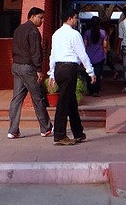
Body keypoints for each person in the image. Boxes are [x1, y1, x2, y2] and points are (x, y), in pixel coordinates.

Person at [49, 11, 96, 145]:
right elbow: (82, 53)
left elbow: (53, 55)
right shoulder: (74, 34)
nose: (76, 21)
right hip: (69, 68)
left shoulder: (56, 34)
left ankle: (78, 132)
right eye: (75, 18)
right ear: (69, 18)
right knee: (64, 103)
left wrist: (52, 73)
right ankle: (59, 135)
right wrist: (90, 71)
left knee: (70, 101)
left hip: (58, 68)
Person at [7, 8, 53, 139]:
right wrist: (39, 69)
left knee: (17, 99)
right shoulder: (33, 31)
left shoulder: (18, 29)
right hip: (28, 68)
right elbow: (36, 52)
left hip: (16, 66)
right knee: (38, 97)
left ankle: (13, 130)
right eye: (40, 17)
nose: (42, 21)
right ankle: (46, 128)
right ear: (32, 17)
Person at [83, 19, 108, 95]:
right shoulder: (103, 32)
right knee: (97, 73)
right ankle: (96, 91)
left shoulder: (87, 33)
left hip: (89, 55)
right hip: (99, 56)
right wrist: (105, 54)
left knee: (89, 72)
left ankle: (90, 90)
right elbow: (105, 45)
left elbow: (85, 44)